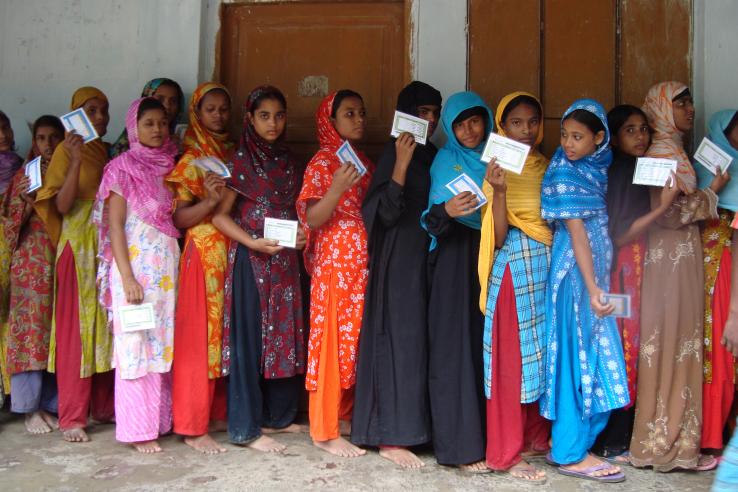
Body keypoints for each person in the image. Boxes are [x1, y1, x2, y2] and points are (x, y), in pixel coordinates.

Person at [629, 82, 727, 472]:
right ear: (662, 110)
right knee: (668, 339)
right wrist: (712, 192)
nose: (689, 108)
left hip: (683, 257)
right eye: (680, 103)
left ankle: (680, 441)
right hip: (667, 257)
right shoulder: (659, 155)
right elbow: (667, 214)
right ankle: (660, 442)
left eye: (689, 102)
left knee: (682, 341)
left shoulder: (677, 154)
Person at [351, 81, 442, 469]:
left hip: (427, 257)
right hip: (398, 260)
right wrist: (402, 165)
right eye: (422, 112)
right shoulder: (394, 153)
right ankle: (390, 435)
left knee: (420, 342)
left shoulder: (434, 155)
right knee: (398, 341)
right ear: (404, 114)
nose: (430, 120)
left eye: (434, 113)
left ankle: (416, 429)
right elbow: (382, 215)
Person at [212, 86, 307, 453]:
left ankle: (278, 417)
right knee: (250, 342)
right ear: (250, 118)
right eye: (264, 116)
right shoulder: (240, 161)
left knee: (283, 337)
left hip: (284, 263)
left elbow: (298, 213)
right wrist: (251, 243)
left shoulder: (289, 160)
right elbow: (220, 216)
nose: (273, 123)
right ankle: (246, 428)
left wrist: (301, 237)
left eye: (279, 115)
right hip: (253, 262)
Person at [539, 99, 628, 483]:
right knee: (576, 359)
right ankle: (570, 452)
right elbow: (577, 235)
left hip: (594, 277)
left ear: (599, 138)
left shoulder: (597, 168)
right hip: (577, 279)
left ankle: (577, 445)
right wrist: (593, 289)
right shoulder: (564, 173)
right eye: (565, 135)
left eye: (578, 137)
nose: (569, 143)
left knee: (593, 358)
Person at [591, 105, 681, 462]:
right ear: (612, 137)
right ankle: (614, 439)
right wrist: (661, 209)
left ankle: (617, 436)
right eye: (631, 130)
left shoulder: (632, 168)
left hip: (631, 268)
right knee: (625, 345)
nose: (641, 136)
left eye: (644, 129)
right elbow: (620, 232)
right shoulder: (623, 170)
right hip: (624, 269)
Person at [95, 97, 180, 453]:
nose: (157, 130)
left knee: (161, 344)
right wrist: (127, 278)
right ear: (134, 127)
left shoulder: (173, 165)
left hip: (165, 270)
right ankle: (136, 430)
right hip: (134, 270)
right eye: (148, 123)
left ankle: (158, 422)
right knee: (133, 348)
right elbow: (115, 226)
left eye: (162, 122)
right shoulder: (121, 167)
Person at [34, 87, 115, 442]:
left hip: (103, 244)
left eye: (104, 110)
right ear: (75, 114)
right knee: (75, 332)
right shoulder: (68, 153)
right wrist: (76, 160)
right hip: (77, 245)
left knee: (105, 327)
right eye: (91, 110)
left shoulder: (107, 152)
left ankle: (103, 407)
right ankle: (72, 416)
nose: (99, 117)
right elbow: (63, 206)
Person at [478, 92, 551, 482]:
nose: (526, 131)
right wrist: (501, 190)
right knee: (511, 361)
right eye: (517, 123)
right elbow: (500, 236)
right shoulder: (497, 169)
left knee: (539, 355)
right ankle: (505, 452)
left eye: (533, 121)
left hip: (546, 269)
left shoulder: (546, 164)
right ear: (502, 127)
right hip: (514, 270)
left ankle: (533, 436)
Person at [296, 90, 373, 458]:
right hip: (333, 266)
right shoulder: (322, 163)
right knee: (328, 343)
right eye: (348, 113)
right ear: (330, 120)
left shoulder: (364, 163)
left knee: (351, 343)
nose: (358, 119)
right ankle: (323, 429)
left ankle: (342, 416)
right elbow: (311, 218)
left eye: (361, 112)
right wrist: (338, 187)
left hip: (358, 267)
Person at [420, 91, 492, 473]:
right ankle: (458, 447)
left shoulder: (498, 161)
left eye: (475, 121)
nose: (468, 130)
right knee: (453, 350)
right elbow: (430, 219)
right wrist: (447, 209)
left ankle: (490, 440)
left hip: (491, 256)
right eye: (459, 123)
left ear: (487, 122)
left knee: (485, 350)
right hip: (451, 261)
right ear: (449, 127)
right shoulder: (444, 160)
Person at [167, 82, 234, 454]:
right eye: (211, 109)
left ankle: (217, 412)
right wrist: (210, 200)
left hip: (231, 251)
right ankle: (193, 425)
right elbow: (180, 219)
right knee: (198, 339)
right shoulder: (190, 159)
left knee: (224, 336)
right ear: (197, 112)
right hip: (203, 253)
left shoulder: (233, 152)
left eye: (224, 109)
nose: (219, 116)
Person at [2, 115, 64, 434]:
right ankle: (28, 409)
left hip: (60, 262)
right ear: (34, 141)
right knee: (30, 335)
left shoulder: (67, 172)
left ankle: (51, 404)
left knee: (55, 334)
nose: (48, 144)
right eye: (41, 138)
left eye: (55, 137)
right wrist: (26, 204)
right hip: (30, 266)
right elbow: (8, 226)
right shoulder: (25, 176)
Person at [696, 109, 738, 451]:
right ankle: (711, 433)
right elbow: (686, 214)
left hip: (725, 265)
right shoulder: (701, 169)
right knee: (716, 348)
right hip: (713, 268)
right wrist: (714, 188)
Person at [110, 78, 184, 158]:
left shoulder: (181, 139)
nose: (167, 106)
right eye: (160, 99)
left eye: (173, 101)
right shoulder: (123, 151)